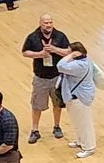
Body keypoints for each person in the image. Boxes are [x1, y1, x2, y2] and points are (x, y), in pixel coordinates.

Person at [22, 15, 72, 143]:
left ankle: (57, 126)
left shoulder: (60, 36)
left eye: (50, 22)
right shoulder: (33, 37)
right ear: (40, 23)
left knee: (58, 104)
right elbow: (25, 52)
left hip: (57, 76)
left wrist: (55, 49)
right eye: (45, 23)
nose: (48, 25)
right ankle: (35, 130)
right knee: (37, 105)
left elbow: (68, 52)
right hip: (40, 78)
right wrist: (39, 54)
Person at [57, 41, 102, 158]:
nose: (66, 53)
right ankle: (81, 141)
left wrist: (70, 56)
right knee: (77, 122)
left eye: (69, 51)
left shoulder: (80, 65)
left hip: (80, 98)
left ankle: (89, 147)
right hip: (74, 97)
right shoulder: (82, 61)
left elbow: (60, 66)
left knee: (85, 123)